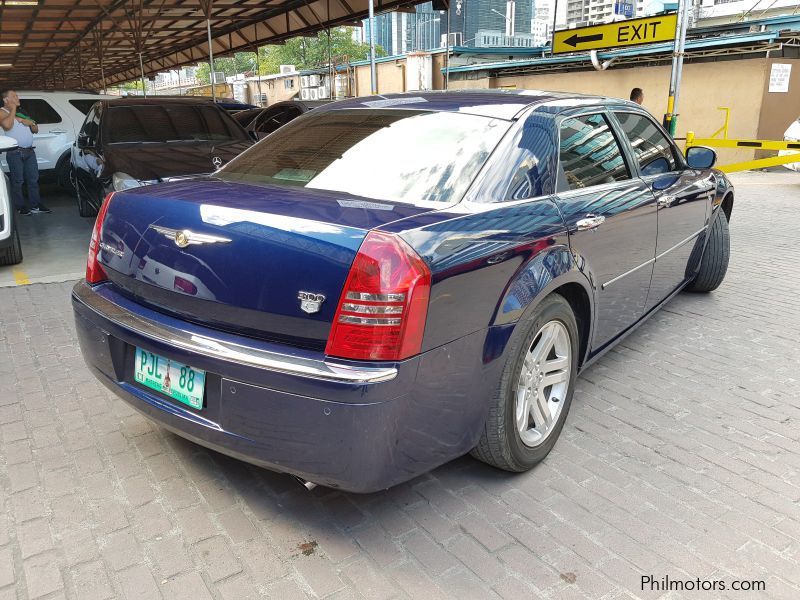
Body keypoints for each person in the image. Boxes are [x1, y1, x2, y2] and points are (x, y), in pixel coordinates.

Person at [0, 90, 50, 215]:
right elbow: (7, 125)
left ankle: (35, 205)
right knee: (18, 181)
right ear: (6, 100)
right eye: (14, 96)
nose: (18, 97)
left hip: (29, 151)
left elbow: (35, 129)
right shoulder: (2, 112)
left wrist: (31, 123)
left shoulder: (22, 112)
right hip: (15, 152)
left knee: (33, 180)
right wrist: (13, 111)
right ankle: (20, 206)